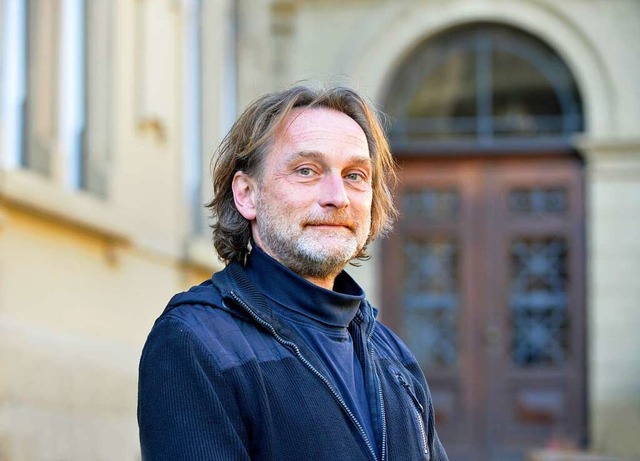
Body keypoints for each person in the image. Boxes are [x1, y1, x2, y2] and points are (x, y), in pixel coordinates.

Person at [137, 85, 448, 461]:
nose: (337, 196)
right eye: (306, 170)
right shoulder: (197, 341)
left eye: (354, 175)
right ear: (247, 195)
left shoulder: (393, 357)